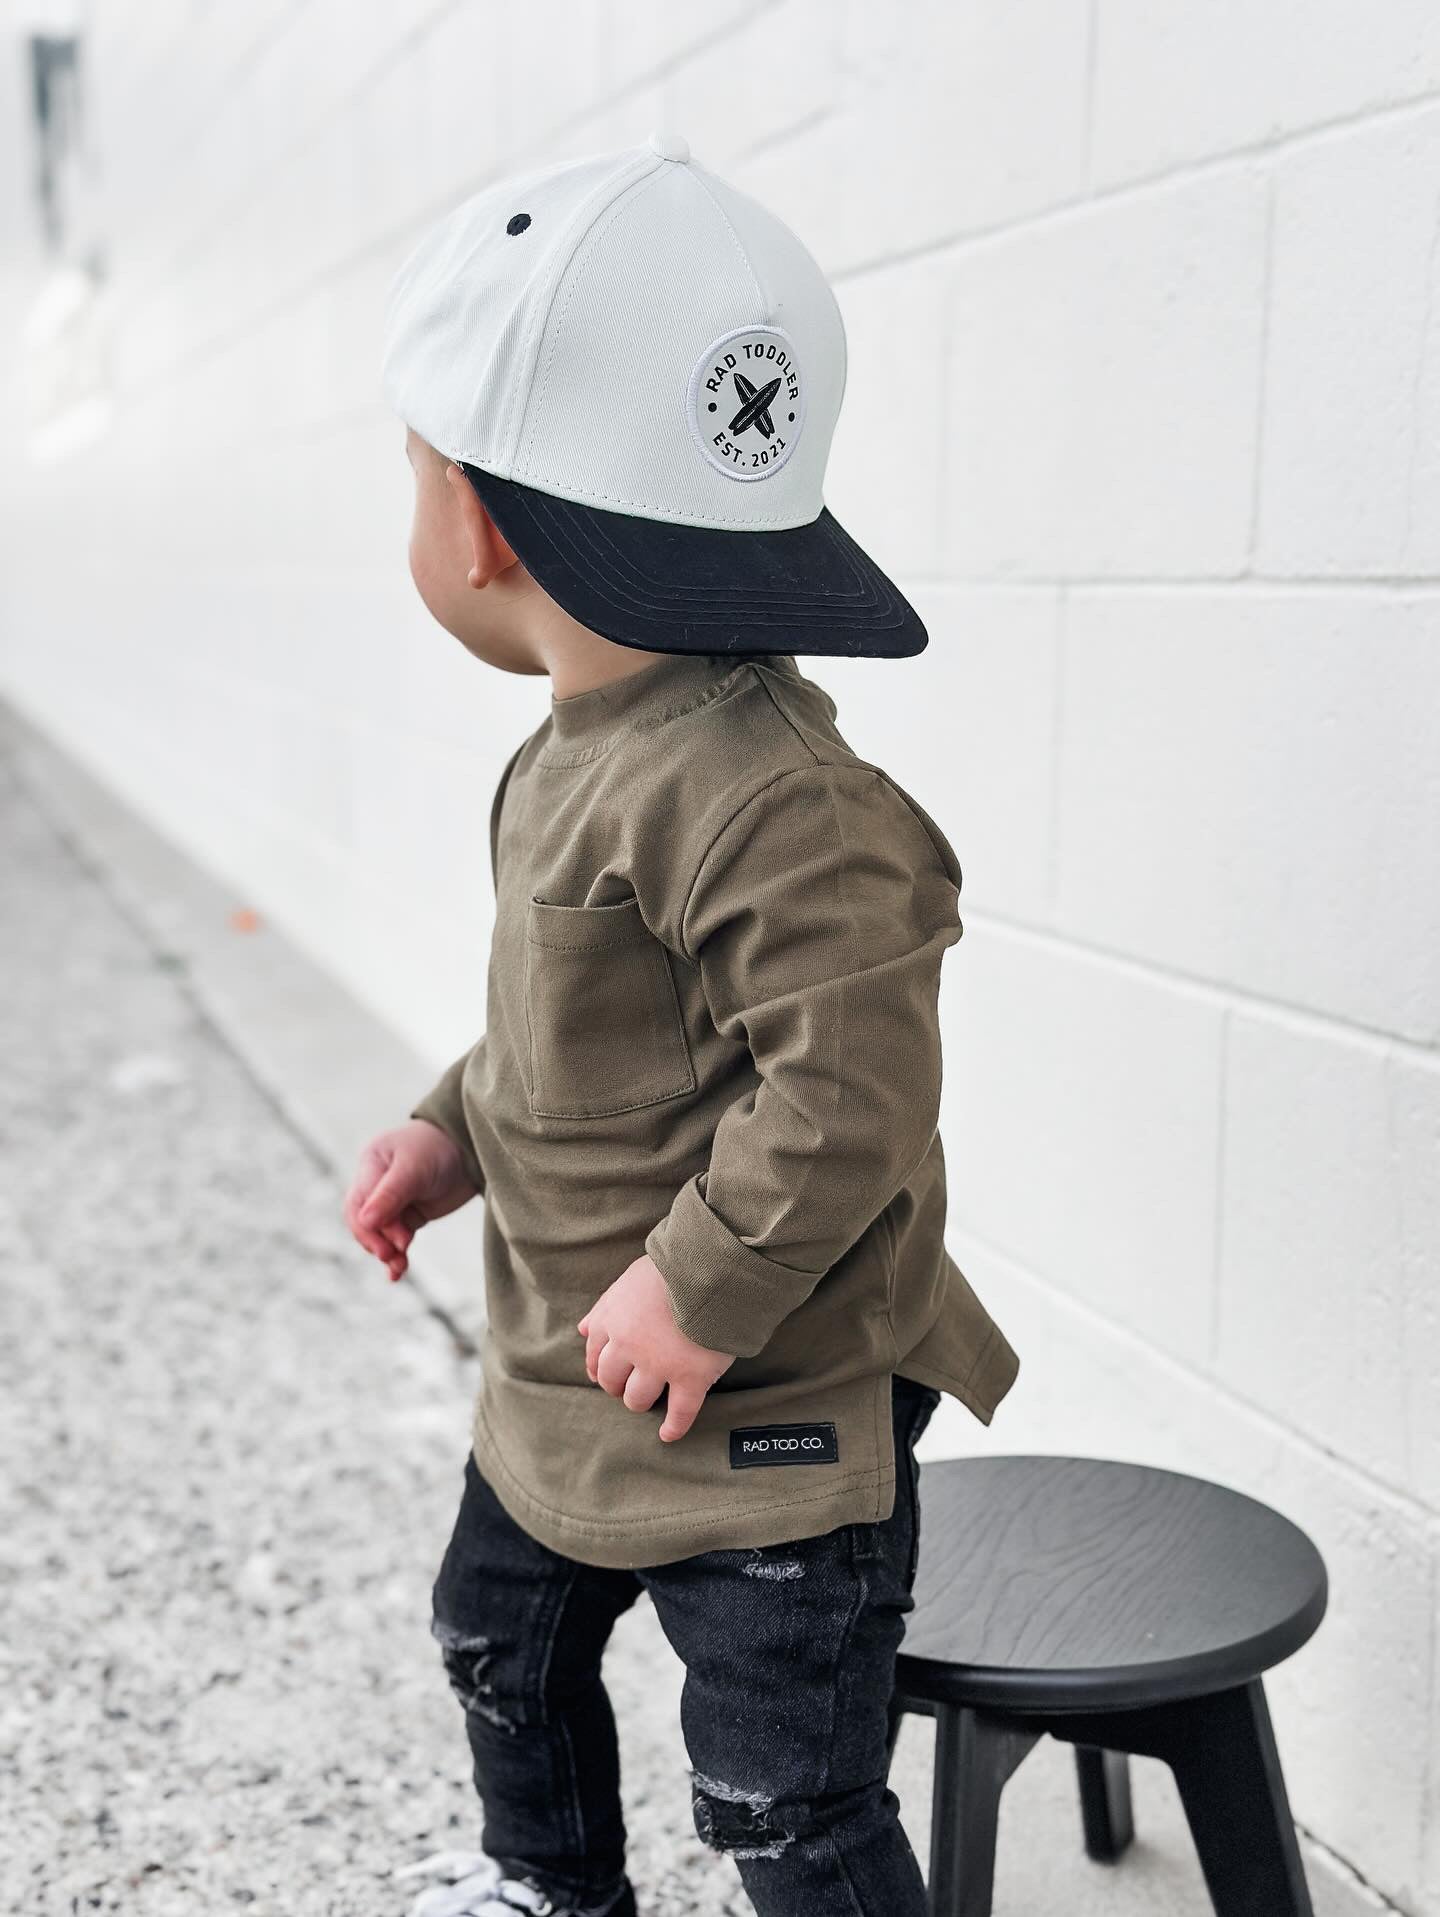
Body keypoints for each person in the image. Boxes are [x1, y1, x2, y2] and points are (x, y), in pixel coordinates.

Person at [345, 130, 1021, 1917]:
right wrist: (448, 1132)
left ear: (478, 518)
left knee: (781, 1796)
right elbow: (560, 1038)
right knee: (498, 1639)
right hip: (571, 1383)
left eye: (415, 473)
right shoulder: (575, 756)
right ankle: (551, 1885)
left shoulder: (778, 797)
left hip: (765, 1411)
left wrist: (700, 1283)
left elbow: (852, 1089)